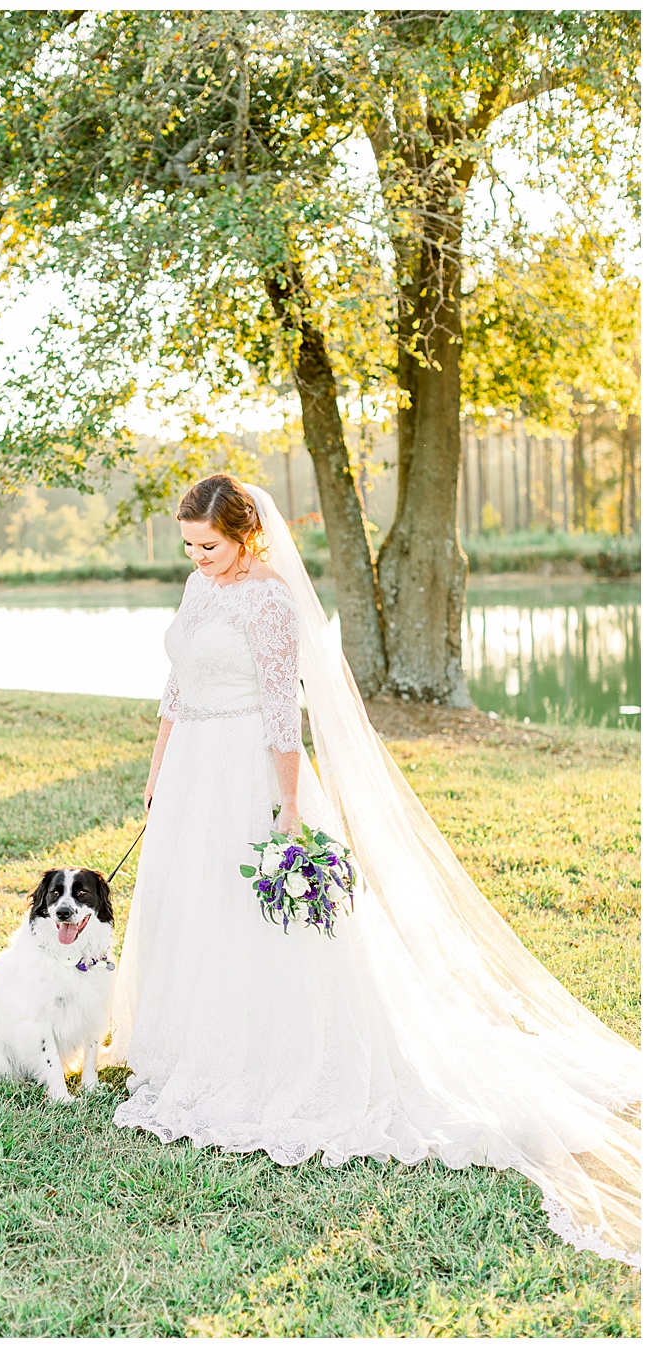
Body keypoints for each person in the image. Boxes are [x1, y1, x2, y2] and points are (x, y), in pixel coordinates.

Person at [106, 473, 639, 1265]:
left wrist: (287, 808)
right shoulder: (197, 586)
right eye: (189, 545)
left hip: (251, 771)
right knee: (191, 910)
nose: (198, 558)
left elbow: (285, 712)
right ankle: (186, 1045)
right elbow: (176, 688)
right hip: (190, 773)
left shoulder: (273, 602)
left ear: (247, 535)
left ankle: (270, 1057)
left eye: (209, 545)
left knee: (253, 918)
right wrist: (157, 768)